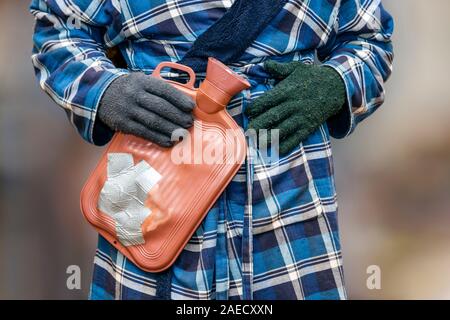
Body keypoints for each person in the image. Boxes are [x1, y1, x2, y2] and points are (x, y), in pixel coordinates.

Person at [30, 0, 393, 300]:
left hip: (288, 208)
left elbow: (370, 40)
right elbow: (59, 31)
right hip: (155, 180)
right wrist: (106, 90)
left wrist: (335, 83)